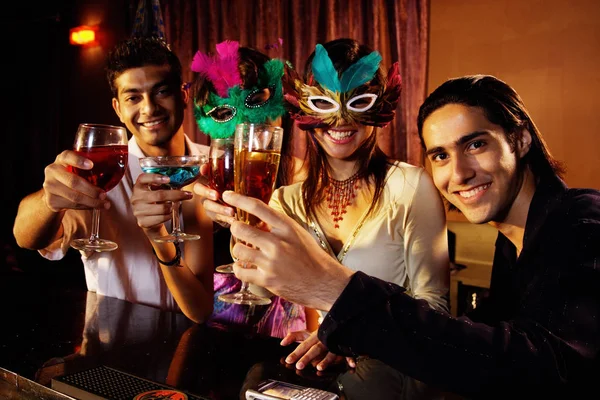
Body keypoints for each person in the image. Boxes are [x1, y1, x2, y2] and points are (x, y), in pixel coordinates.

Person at [222, 74, 600, 397]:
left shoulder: (581, 221)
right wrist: (350, 332)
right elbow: (478, 341)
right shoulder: (511, 241)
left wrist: (339, 292)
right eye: (440, 156)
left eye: (475, 144)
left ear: (519, 140)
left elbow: (548, 372)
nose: (459, 173)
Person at [196, 38, 450, 371]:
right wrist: (238, 223)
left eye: (358, 100)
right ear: (300, 106)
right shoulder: (286, 200)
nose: (340, 121)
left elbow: (435, 312)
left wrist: (352, 332)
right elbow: (256, 290)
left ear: (381, 104)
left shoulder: (410, 187)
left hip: (389, 378)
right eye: (323, 102)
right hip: (304, 378)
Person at [13, 36, 214, 323]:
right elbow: (25, 237)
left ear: (183, 95)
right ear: (118, 109)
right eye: (133, 97)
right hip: (113, 350)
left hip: (196, 347)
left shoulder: (212, 167)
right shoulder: (99, 172)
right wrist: (49, 201)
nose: (149, 109)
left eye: (161, 92)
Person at [186, 40, 306, 338]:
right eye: (226, 113)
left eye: (257, 102)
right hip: (215, 345)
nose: (247, 126)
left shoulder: (304, 178)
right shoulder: (206, 184)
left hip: (288, 345)